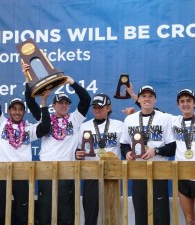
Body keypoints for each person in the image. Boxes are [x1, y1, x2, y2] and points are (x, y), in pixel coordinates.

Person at [22, 63, 91, 225]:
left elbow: (86, 99)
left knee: (66, 215)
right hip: (46, 170)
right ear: (53, 106)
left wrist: (71, 82)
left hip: (67, 170)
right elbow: (31, 103)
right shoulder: (45, 118)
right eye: (60, 103)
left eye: (66, 103)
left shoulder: (74, 119)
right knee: (46, 213)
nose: (64, 105)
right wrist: (27, 80)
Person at [0, 65, 51, 225]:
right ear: (8, 111)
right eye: (14, 109)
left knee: (23, 215)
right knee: (0, 214)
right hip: (1, 174)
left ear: (24, 112)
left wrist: (43, 102)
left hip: (22, 174)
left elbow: (45, 127)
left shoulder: (28, 128)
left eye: (20, 109)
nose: (17, 112)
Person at [120, 85, 176, 225]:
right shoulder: (130, 119)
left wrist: (155, 151)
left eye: (150, 96)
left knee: (161, 215)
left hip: (159, 172)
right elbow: (124, 144)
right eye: (143, 96)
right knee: (141, 213)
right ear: (138, 99)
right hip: (138, 172)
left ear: (155, 100)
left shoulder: (164, 118)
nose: (147, 99)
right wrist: (127, 153)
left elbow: (172, 147)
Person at [75, 93, 124, 225]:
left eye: (100, 107)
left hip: (112, 174)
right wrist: (78, 154)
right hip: (91, 173)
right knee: (90, 211)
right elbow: (78, 149)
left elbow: (126, 147)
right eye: (95, 107)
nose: (97, 110)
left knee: (112, 212)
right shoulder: (85, 126)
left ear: (108, 108)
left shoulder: (119, 125)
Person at [172, 89, 195, 225]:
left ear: (194, 103)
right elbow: (151, 111)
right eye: (182, 101)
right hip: (182, 177)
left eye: (189, 101)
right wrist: (134, 97)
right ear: (178, 105)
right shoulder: (174, 121)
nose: (185, 104)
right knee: (189, 219)